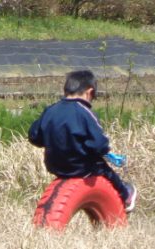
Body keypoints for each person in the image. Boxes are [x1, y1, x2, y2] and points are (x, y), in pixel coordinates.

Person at [28, 70, 135, 211]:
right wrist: (103, 152)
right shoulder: (84, 113)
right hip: (82, 168)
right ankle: (125, 195)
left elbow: (34, 137)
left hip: (55, 167)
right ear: (89, 92)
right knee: (106, 170)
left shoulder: (50, 111)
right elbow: (100, 144)